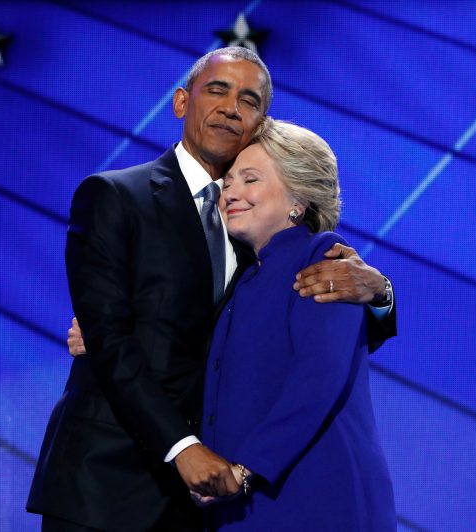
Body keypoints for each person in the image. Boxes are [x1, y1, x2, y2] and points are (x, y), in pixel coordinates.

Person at [27, 47, 395, 531]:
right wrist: (183, 447)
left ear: (260, 123)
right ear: (181, 102)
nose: (230, 107)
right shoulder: (115, 196)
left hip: (211, 497)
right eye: (217, 89)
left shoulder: (261, 232)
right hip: (108, 483)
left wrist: (382, 292)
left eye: (249, 100)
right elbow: (110, 336)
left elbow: (315, 338)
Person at [193, 118, 395, 530]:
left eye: (250, 179)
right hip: (245, 504)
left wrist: (246, 469)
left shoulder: (321, 257)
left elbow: (318, 376)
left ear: (297, 201)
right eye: (228, 182)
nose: (231, 192)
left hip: (313, 499)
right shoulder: (242, 279)